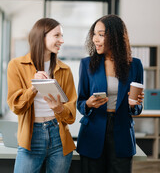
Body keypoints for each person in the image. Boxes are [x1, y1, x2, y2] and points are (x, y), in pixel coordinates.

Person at [7, 18, 77, 173]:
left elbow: (71, 115)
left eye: (62, 36)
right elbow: (16, 106)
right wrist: (33, 88)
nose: (62, 41)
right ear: (42, 36)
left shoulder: (65, 70)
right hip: (31, 136)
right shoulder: (16, 65)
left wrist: (59, 109)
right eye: (57, 35)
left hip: (59, 137)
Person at [76, 15, 144, 173]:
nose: (95, 39)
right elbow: (80, 102)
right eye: (94, 34)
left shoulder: (135, 65)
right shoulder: (87, 64)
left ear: (115, 36)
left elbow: (137, 107)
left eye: (101, 34)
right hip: (92, 132)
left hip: (122, 133)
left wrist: (135, 105)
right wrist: (88, 104)